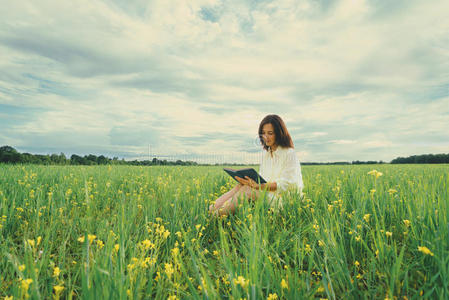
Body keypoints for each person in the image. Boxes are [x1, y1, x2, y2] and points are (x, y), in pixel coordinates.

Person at [209, 114, 304, 216]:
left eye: (270, 133)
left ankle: (216, 217)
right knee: (241, 186)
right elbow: (262, 178)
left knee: (248, 190)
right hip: (267, 194)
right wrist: (250, 182)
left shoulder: (289, 153)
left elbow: (287, 184)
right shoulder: (267, 154)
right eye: (263, 133)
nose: (265, 137)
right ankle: (211, 210)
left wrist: (259, 186)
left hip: (284, 199)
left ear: (279, 134)